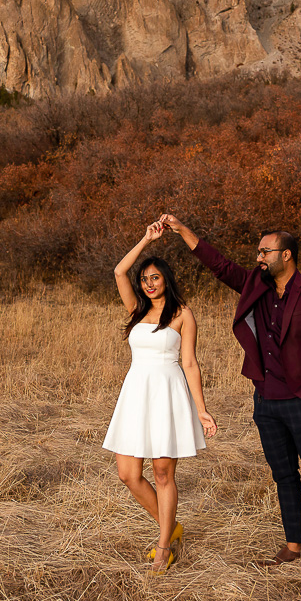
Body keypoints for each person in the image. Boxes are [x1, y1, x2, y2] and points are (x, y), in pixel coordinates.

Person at [159, 214, 301, 581]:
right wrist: (182, 230)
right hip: (265, 399)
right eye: (257, 252)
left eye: (264, 251)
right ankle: (294, 545)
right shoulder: (257, 285)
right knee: (283, 474)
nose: (258, 257)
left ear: (286, 255)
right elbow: (219, 265)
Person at [103, 221, 218, 574]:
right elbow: (120, 270)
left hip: (168, 395)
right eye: (145, 279)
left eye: (155, 277)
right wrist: (147, 239)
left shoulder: (183, 315)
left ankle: (164, 545)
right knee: (128, 473)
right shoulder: (136, 310)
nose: (149, 284)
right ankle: (172, 526)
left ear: (166, 278)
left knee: (163, 474)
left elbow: (190, 364)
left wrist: (202, 411)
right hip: (136, 393)